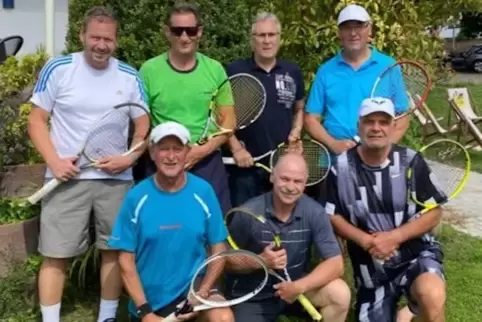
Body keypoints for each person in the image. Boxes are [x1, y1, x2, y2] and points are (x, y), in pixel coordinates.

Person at [27, 6, 150, 322]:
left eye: (107, 39)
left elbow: (143, 126)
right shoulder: (59, 68)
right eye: (95, 37)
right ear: (82, 36)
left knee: (113, 252)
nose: (101, 45)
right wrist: (54, 161)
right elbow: (37, 121)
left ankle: (107, 316)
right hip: (66, 178)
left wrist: (130, 157)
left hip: (116, 180)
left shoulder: (129, 75)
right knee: (55, 254)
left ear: (116, 41)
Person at [324, 97, 446, 322]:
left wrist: (395, 237)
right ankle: (405, 313)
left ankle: (415, 307)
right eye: (370, 122)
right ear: (359, 125)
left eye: (383, 122)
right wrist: (366, 241)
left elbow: (434, 211)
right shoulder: (340, 168)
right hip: (372, 269)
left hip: (415, 254)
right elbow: (332, 214)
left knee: (432, 295)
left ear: (393, 127)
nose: (376, 128)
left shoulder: (411, 161)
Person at [108, 122, 233, 322]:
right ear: (152, 153)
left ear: (187, 152)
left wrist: (201, 292)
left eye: (177, 149)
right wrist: (146, 312)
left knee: (222, 317)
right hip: (150, 304)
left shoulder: (204, 191)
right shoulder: (136, 197)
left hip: (193, 294)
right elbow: (125, 261)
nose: (171, 156)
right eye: (164, 149)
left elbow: (219, 249)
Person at [225, 153, 351, 322]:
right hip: (254, 295)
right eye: (285, 179)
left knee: (339, 293)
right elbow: (225, 261)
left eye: (297, 181)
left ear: (305, 184)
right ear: (272, 177)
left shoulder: (314, 211)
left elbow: (336, 264)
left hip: (295, 287)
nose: (290, 187)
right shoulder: (248, 213)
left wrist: (299, 286)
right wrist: (260, 261)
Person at [138, 2, 234, 214]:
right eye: (177, 30)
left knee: (214, 235)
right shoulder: (148, 71)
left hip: (206, 163)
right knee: (160, 231)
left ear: (199, 32)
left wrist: (200, 152)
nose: (184, 37)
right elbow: (141, 126)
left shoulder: (215, 70)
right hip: (162, 163)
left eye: (190, 30)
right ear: (167, 32)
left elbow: (228, 123)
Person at [222, 12, 305, 207]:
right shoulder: (234, 70)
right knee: (244, 226)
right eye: (261, 35)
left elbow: (299, 109)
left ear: (279, 38)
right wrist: (236, 149)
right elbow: (221, 116)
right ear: (252, 40)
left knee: (281, 226)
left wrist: (296, 131)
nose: (266, 41)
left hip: (281, 168)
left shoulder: (291, 71)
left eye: (271, 35)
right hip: (244, 168)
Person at [304, 4, 410, 155]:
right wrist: (333, 144)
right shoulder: (326, 71)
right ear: (339, 33)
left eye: (359, 26)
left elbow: (402, 118)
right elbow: (310, 119)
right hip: (335, 160)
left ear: (370, 29)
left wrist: (381, 148)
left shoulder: (389, 67)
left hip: (376, 159)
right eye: (347, 27)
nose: (353, 33)